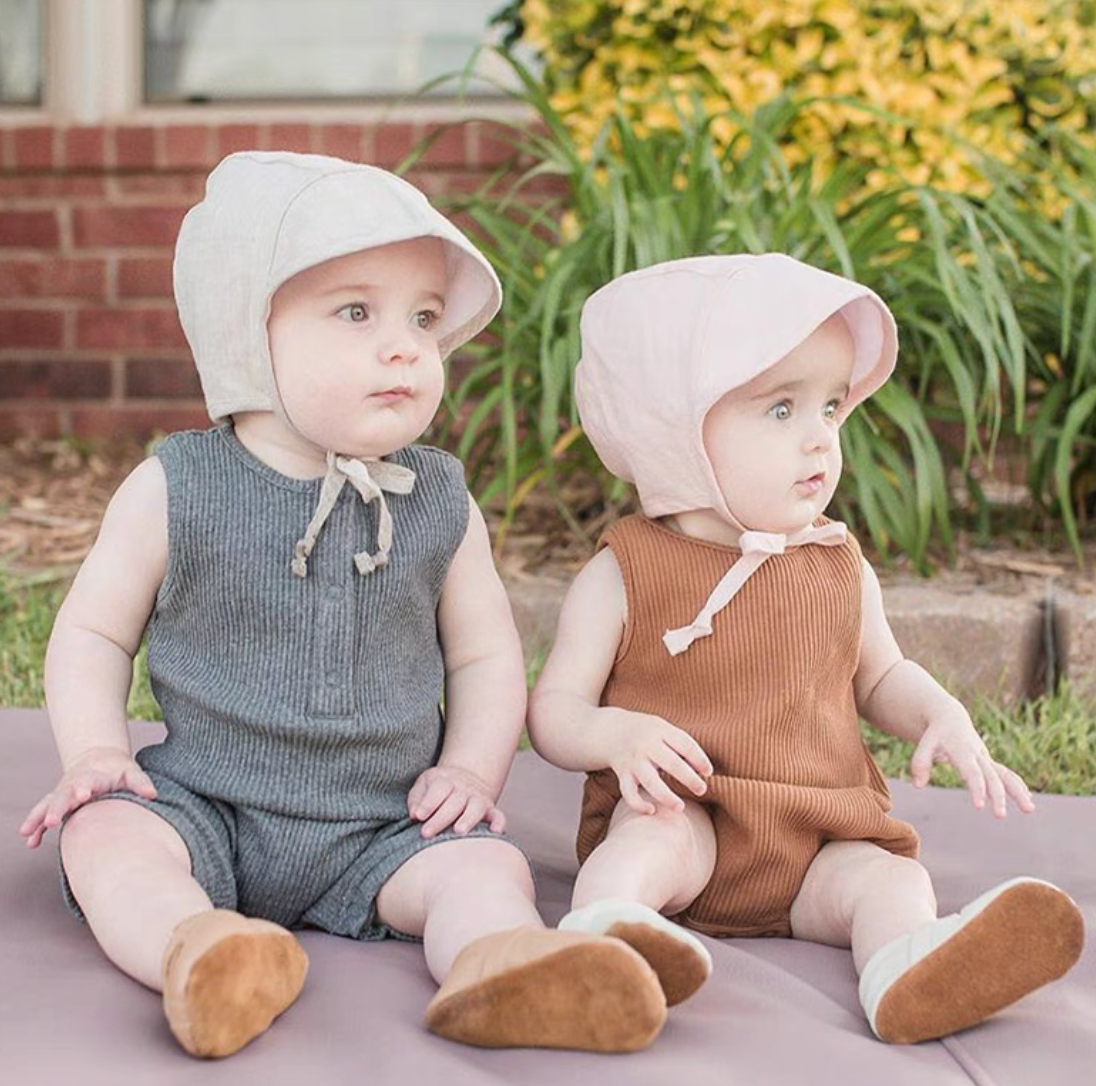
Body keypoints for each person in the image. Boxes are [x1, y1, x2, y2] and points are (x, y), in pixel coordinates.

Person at [18, 151, 666, 1059]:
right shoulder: (178, 485)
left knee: (487, 866)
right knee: (105, 839)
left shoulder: (440, 499)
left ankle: (502, 965)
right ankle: (197, 949)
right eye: (357, 311)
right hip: (204, 803)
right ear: (250, 329)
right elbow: (92, 631)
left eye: (426, 318)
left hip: (385, 823)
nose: (406, 345)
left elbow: (484, 658)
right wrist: (94, 751)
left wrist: (472, 774)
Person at [527, 254, 1085, 1043]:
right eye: (781, 410)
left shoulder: (837, 562)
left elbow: (880, 672)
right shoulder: (625, 571)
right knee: (645, 841)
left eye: (831, 408)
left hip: (818, 843)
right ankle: (604, 935)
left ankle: (904, 969)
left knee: (891, 877)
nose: (821, 439)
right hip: (692, 824)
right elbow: (554, 712)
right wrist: (614, 735)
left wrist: (937, 709)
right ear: (675, 432)